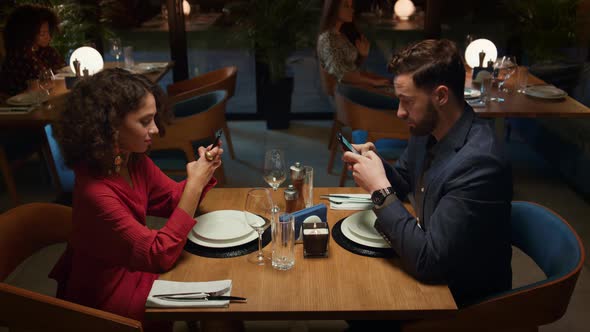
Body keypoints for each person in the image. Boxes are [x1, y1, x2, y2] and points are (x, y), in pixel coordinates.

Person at [342, 39, 513, 309]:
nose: (399, 113)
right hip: (431, 273)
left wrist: (378, 189)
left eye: (407, 102)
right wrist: (377, 166)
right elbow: (402, 181)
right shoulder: (427, 132)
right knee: (350, 286)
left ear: (441, 96)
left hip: (462, 300)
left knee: (359, 303)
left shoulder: (480, 163)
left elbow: (428, 262)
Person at [49, 68, 223, 331]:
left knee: (220, 279)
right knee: (217, 294)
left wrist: (201, 171)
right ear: (110, 127)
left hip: (136, 266)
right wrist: (195, 184)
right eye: (144, 121)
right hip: (108, 300)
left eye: (154, 118)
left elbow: (173, 200)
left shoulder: (131, 159)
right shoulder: (95, 192)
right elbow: (158, 255)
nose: (155, 129)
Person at [317, 0, 390, 89]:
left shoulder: (340, 35)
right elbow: (343, 75)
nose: (351, 10)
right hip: (343, 93)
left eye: (351, 6)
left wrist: (362, 55)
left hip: (351, 87)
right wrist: (373, 82)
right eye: (346, 6)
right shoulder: (328, 39)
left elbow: (351, 68)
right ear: (334, 9)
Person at [0, 4, 65, 96]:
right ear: (27, 34)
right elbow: (39, 82)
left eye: (49, 32)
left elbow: (61, 71)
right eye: (42, 34)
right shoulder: (19, 57)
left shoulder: (47, 51)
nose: (48, 37)